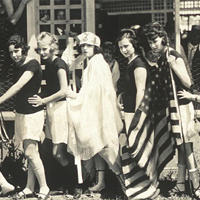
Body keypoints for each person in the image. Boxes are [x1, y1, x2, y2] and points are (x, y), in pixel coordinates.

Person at [141, 21, 200, 199]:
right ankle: (181, 184)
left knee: (186, 145)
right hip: (171, 104)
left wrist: (174, 66)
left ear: (163, 38)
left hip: (181, 104)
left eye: (155, 41)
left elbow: (189, 83)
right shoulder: (161, 57)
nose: (153, 45)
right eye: (150, 42)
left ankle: (196, 184)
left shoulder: (173, 55)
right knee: (181, 145)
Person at [65, 32, 124, 194]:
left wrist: (75, 97)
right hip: (95, 109)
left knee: (106, 147)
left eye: (88, 45)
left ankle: (125, 184)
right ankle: (101, 181)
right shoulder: (91, 62)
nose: (85, 48)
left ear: (95, 47)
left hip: (101, 110)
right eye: (83, 45)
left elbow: (93, 91)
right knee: (96, 145)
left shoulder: (98, 63)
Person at [0, 34, 49, 200]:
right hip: (21, 113)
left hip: (33, 113)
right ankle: (29, 187)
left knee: (30, 152)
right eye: (11, 52)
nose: (14, 55)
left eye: (17, 51)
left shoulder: (32, 64)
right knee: (30, 153)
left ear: (23, 49)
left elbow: (18, 86)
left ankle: (44, 187)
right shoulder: (18, 65)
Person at [28, 32, 71, 174]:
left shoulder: (59, 64)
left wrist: (43, 101)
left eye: (45, 49)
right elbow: (50, 89)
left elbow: (64, 90)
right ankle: (61, 182)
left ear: (53, 47)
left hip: (61, 109)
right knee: (47, 148)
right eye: (39, 49)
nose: (42, 52)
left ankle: (76, 183)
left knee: (57, 153)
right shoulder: (48, 63)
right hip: (52, 109)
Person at [0, 0, 32, 111]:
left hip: (5, 66)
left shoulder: (4, 24)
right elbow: (12, 20)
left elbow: (12, 20)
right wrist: (22, 3)